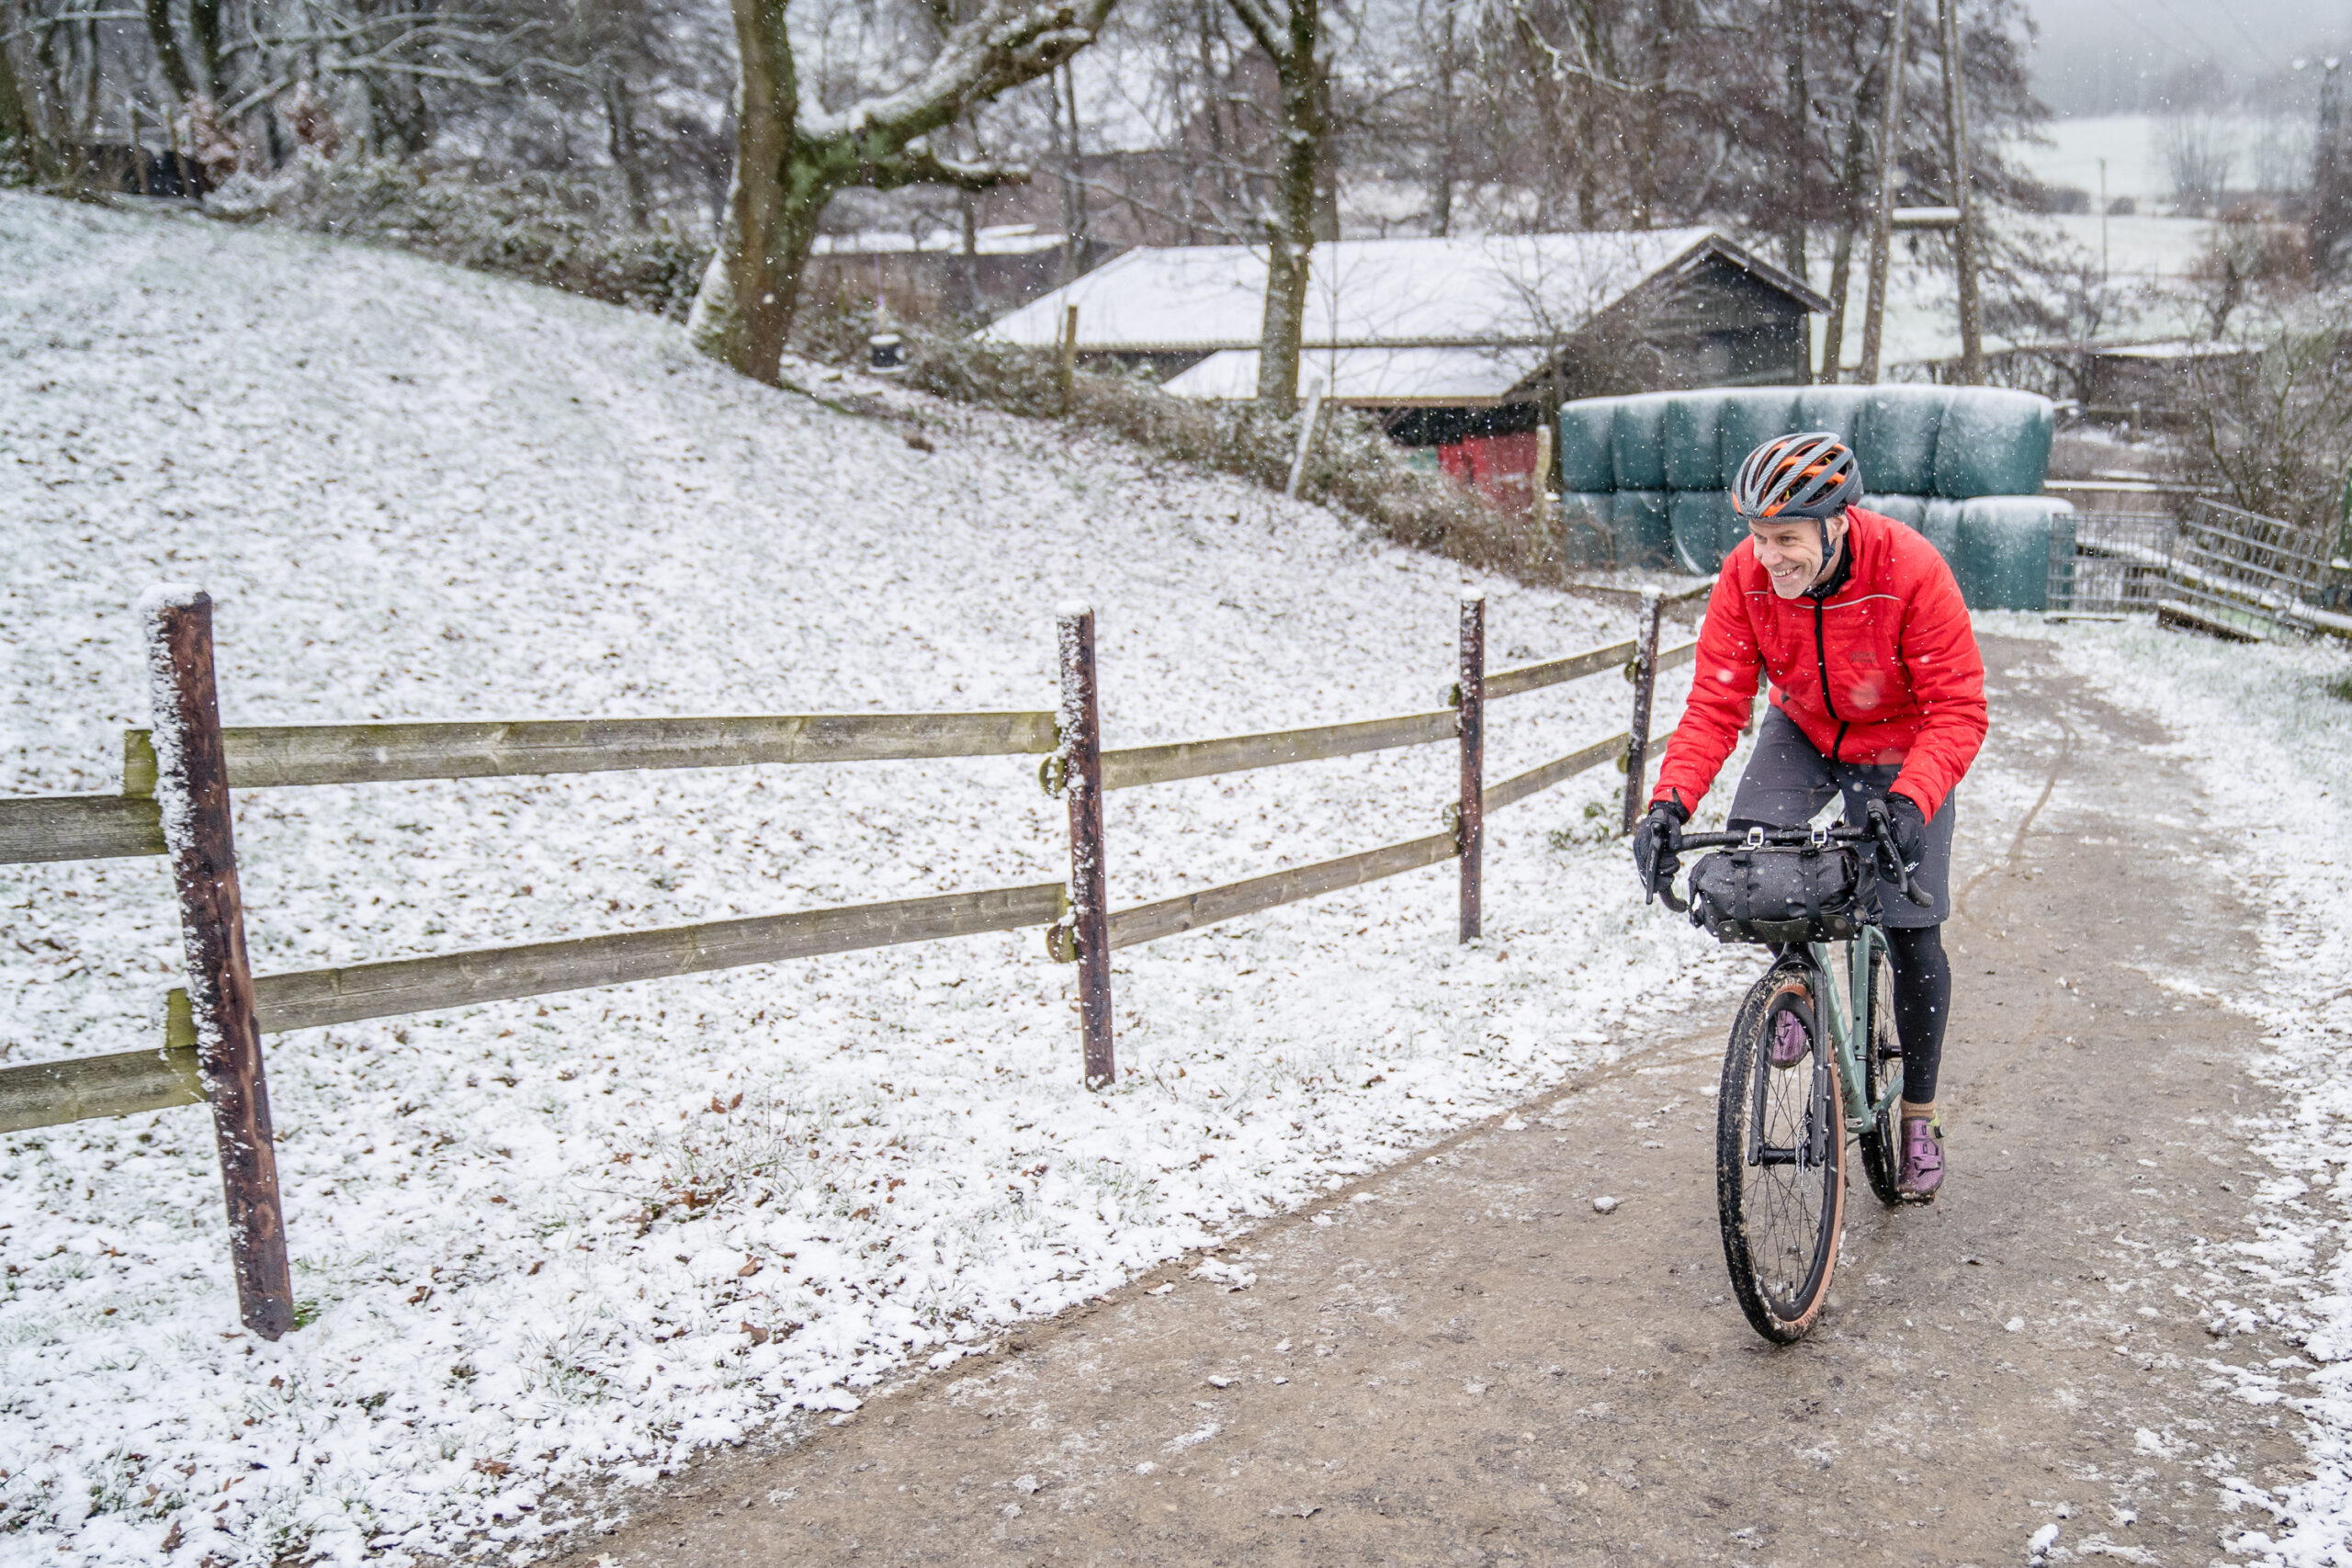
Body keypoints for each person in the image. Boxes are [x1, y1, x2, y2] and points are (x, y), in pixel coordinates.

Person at [1629, 432, 1987, 1201]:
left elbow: (1959, 708)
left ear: (1837, 524)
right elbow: (1716, 702)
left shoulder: (1911, 569)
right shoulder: (1744, 578)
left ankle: (1918, 1116)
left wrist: (1910, 800)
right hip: (1805, 732)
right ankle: (1795, 986)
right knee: (1761, 863)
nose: (1769, 557)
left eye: (1786, 539)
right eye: (1758, 538)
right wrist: (1668, 803)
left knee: (1911, 922)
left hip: (1902, 747)